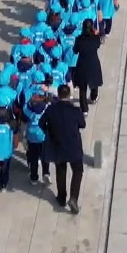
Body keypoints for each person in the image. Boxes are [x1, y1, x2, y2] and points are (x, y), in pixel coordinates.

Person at [41, 85, 87, 213]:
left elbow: (41, 123)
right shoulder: (75, 110)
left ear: (58, 95)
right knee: (78, 171)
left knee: (61, 171)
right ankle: (73, 198)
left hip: (58, 144)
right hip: (73, 145)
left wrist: (50, 132)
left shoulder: (51, 109)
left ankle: (61, 198)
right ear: (69, 95)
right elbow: (82, 124)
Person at [72, 20, 103, 112]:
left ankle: (84, 109)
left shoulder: (79, 39)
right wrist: (96, 34)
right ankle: (93, 97)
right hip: (93, 63)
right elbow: (98, 45)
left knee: (82, 89)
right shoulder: (95, 39)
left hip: (82, 64)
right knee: (94, 82)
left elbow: (75, 50)